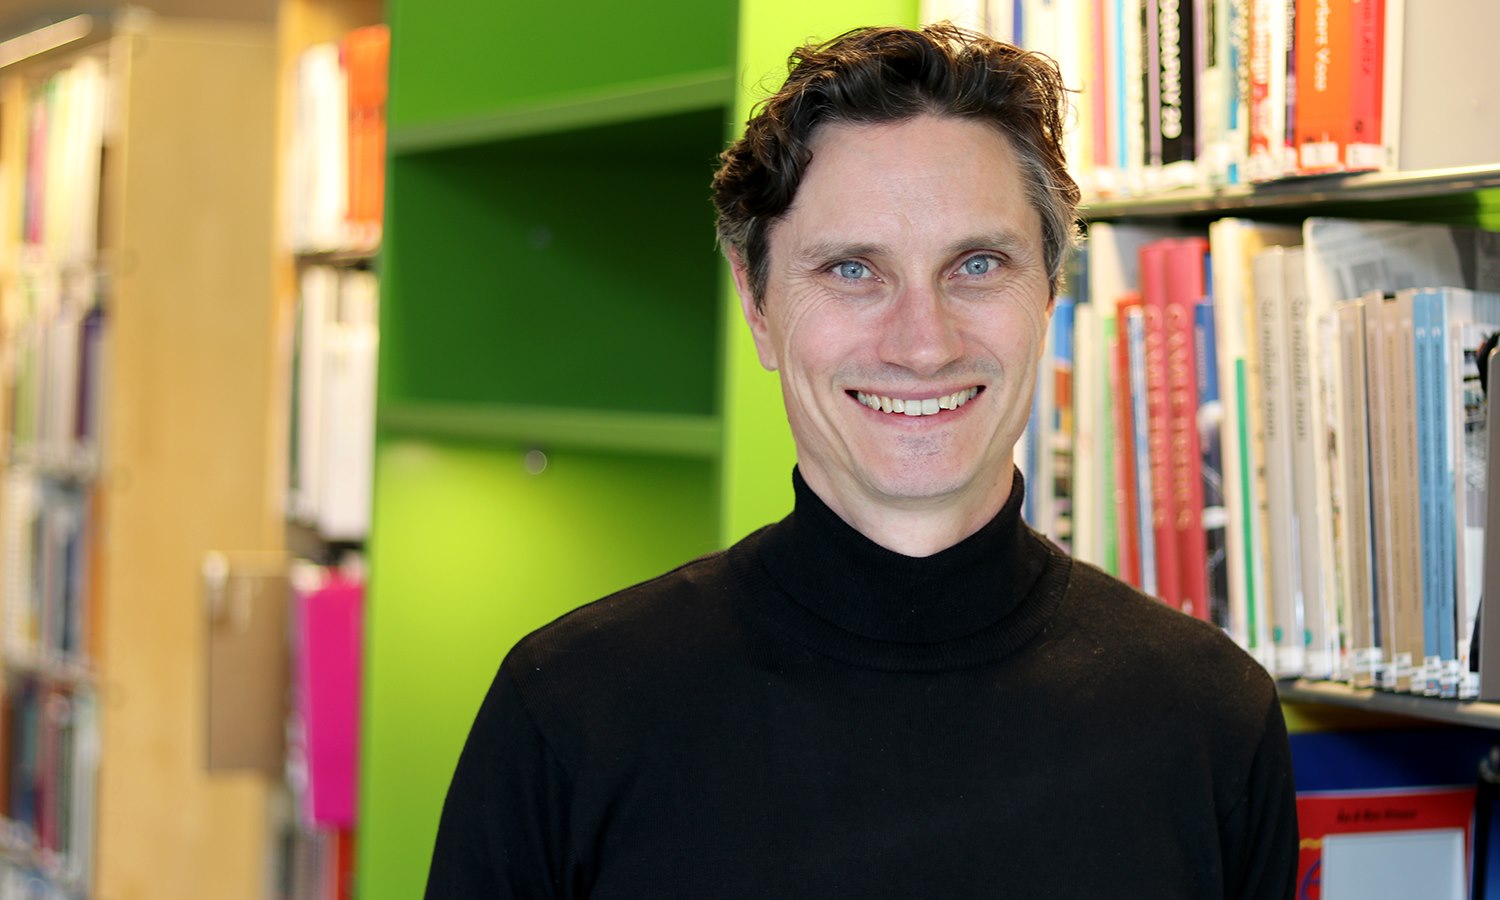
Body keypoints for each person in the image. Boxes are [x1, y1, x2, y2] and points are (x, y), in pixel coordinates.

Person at [426, 23, 1297, 899]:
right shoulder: (570, 711)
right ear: (757, 305)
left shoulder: (1212, 719)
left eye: (978, 264)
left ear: (1048, 293)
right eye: (852, 270)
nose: (923, 344)